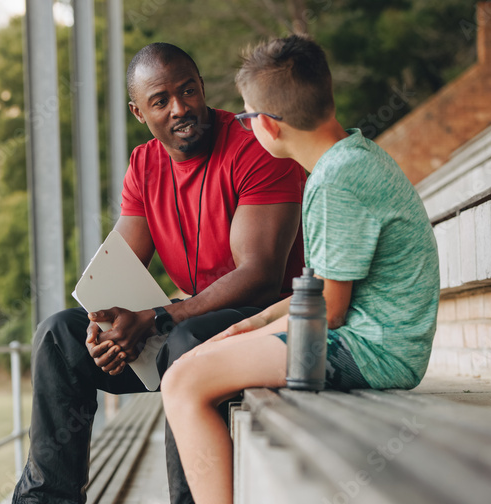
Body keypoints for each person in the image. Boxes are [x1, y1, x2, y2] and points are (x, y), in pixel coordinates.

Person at [12, 42, 308, 504]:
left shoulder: (254, 146)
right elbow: (117, 275)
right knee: (58, 337)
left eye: (188, 91)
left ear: (202, 88)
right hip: (188, 323)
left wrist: (157, 317)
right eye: (161, 100)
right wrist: (102, 328)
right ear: (138, 112)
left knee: (185, 344)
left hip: (268, 325)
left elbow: (261, 277)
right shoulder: (144, 165)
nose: (180, 108)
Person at [160, 34, 441, 504]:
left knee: (182, 382)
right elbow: (320, 293)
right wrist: (246, 327)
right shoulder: (349, 157)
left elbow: (328, 312)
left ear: (268, 125)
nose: (247, 128)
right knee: (194, 362)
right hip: (369, 340)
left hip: (373, 351)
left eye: (248, 118)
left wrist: (228, 344)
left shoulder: (337, 181)